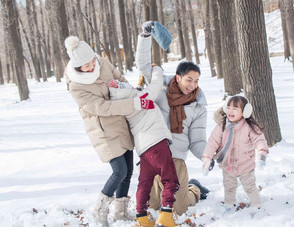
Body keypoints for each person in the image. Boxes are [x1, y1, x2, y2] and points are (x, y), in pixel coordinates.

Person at [63, 36, 155, 226]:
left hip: (122, 122)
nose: (91, 66)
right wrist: (133, 104)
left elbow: (120, 78)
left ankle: (120, 212)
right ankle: (100, 209)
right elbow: (102, 107)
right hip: (103, 130)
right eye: (86, 66)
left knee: (128, 170)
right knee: (119, 171)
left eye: (92, 61)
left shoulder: (102, 63)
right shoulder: (76, 86)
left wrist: (129, 90)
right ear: (77, 67)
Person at [139, 22, 210, 216]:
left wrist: (207, 155)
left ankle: (194, 189)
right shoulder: (159, 90)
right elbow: (144, 66)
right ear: (178, 78)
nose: (193, 85)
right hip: (154, 156)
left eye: (196, 81)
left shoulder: (198, 107)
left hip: (177, 158)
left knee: (178, 209)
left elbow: (197, 140)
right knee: (152, 207)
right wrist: (144, 37)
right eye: (189, 80)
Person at [107, 67, 179, 226]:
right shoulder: (141, 97)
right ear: (124, 90)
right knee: (170, 179)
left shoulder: (126, 104)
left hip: (143, 151)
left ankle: (142, 216)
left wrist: (137, 88)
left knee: (144, 183)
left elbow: (135, 98)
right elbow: (154, 86)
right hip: (157, 144)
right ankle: (167, 213)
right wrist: (157, 70)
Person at [202, 96, 269, 215]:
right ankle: (229, 204)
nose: (230, 111)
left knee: (249, 186)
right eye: (228, 108)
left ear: (245, 112)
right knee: (229, 186)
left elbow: (259, 140)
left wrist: (262, 154)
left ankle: (257, 206)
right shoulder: (222, 127)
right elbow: (212, 142)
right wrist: (207, 158)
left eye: (235, 108)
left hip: (245, 164)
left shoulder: (249, 127)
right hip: (228, 164)